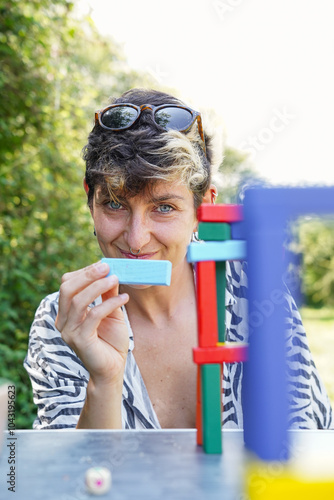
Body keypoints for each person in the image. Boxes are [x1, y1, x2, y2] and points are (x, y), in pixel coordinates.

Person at [24, 88, 332, 430]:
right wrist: (105, 382)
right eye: (114, 204)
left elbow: (302, 446)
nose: (136, 238)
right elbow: (80, 479)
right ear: (89, 198)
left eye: (164, 208)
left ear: (203, 209)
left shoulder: (257, 295)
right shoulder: (63, 319)